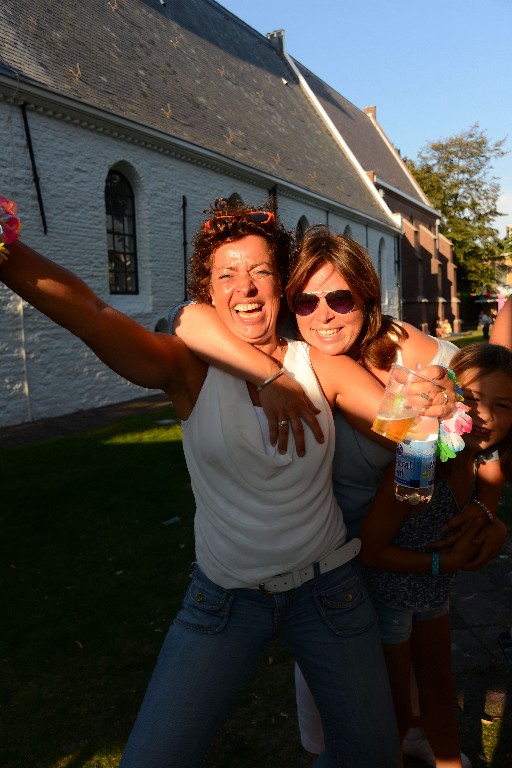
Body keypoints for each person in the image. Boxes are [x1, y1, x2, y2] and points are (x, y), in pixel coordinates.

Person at [0, 195, 408, 767]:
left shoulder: (317, 365)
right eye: (228, 275)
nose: (245, 288)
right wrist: (5, 252)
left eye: (261, 272)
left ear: (280, 286)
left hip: (328, 592)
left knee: (370, 753)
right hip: (224, 600)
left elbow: (406, 426)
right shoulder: (188, 370)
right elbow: (90, 313)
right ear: (209, 293)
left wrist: (435, 404)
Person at [170, 226, 505, 766]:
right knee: (334, 720)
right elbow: (186, 317)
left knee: (418, 680)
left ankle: (425, 739)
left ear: (368, 297)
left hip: (397, 549)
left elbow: (482, 426)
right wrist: (268, 375)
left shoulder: (407, 351)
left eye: (341, 298)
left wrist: (487, 508)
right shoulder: (283, 341)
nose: (323, 314)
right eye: (306, 299)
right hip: (321, 561)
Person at [359, 343, 511, 768]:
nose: (486, 417)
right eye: (475, 400)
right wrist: (443, 564)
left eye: (504, 405)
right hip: (388, 600)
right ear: (450, 397)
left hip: (433, 598)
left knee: (439, 693)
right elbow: (371, 551)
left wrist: (490, 520)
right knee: (395, 712)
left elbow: (491, 502)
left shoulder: (485, 459)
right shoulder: (421, 463)